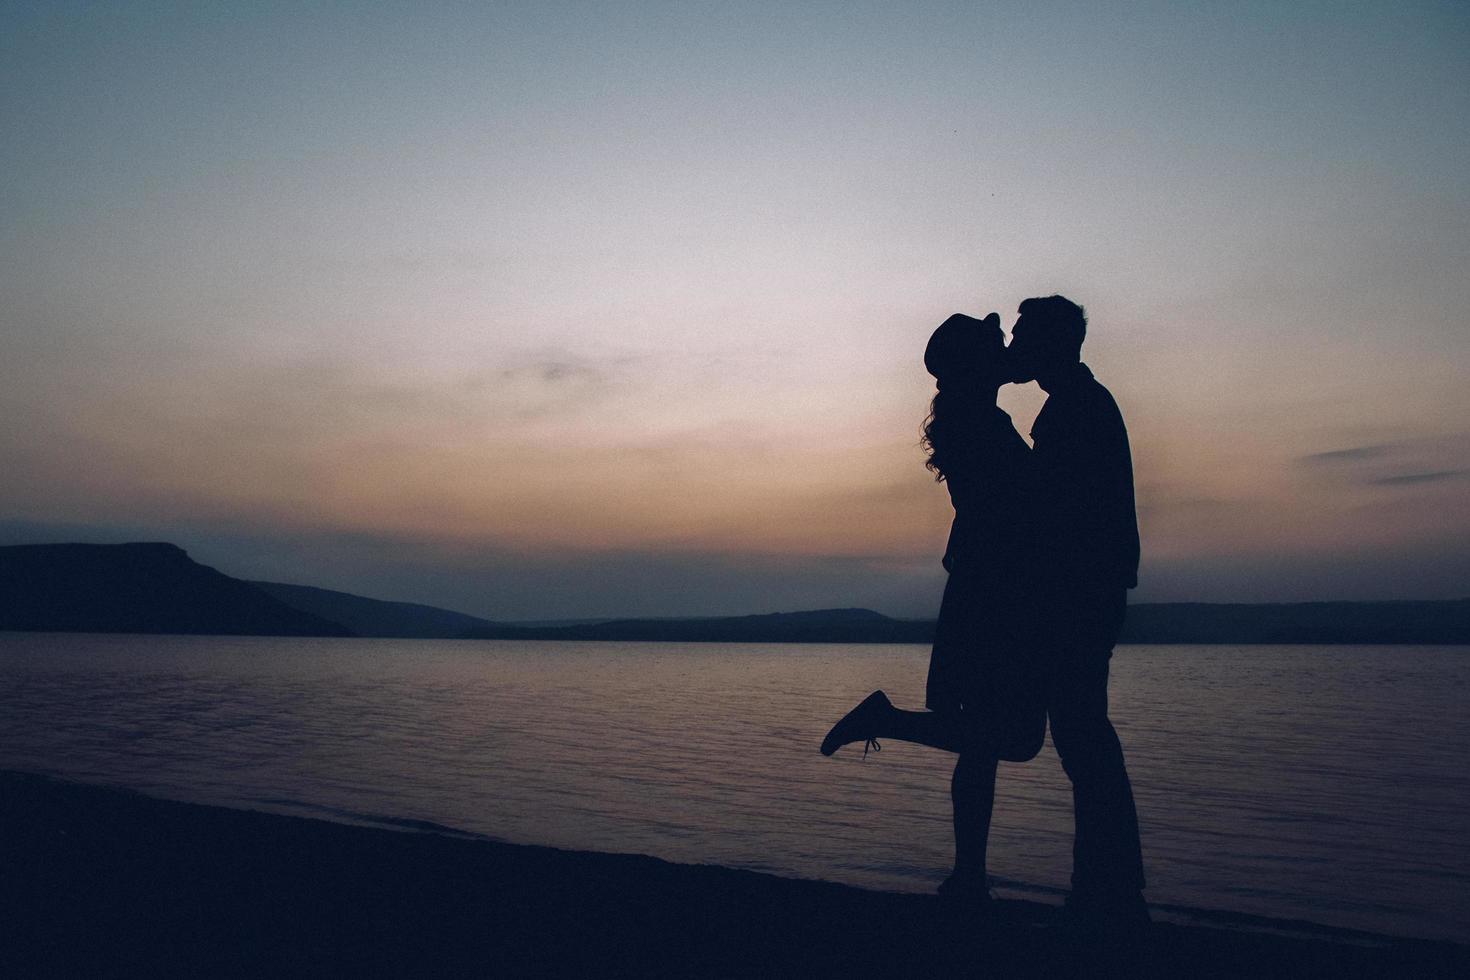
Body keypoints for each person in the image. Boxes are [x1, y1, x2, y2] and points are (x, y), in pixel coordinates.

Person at [819, 311, 1046, 905]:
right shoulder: (981, 424)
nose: (1006, 350)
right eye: (997, 344)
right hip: (997, 596)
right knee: (1014, 739)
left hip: (984, 591)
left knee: (983, 739)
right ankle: (887, 721)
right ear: (977, 363)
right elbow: (1013, 510)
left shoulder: (977, 419)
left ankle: (968, 874)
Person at [1006, 294, 1148, 924]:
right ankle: (1106, 884)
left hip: (1078, 598)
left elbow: (1054, 515)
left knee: (1084, 737)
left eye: (1021, 335)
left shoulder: (1076, 411)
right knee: (1082, 736)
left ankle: (1108, 889)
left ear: (1051, 343)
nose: (1014, 345)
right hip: (1088, 594)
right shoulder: (1076, 405)